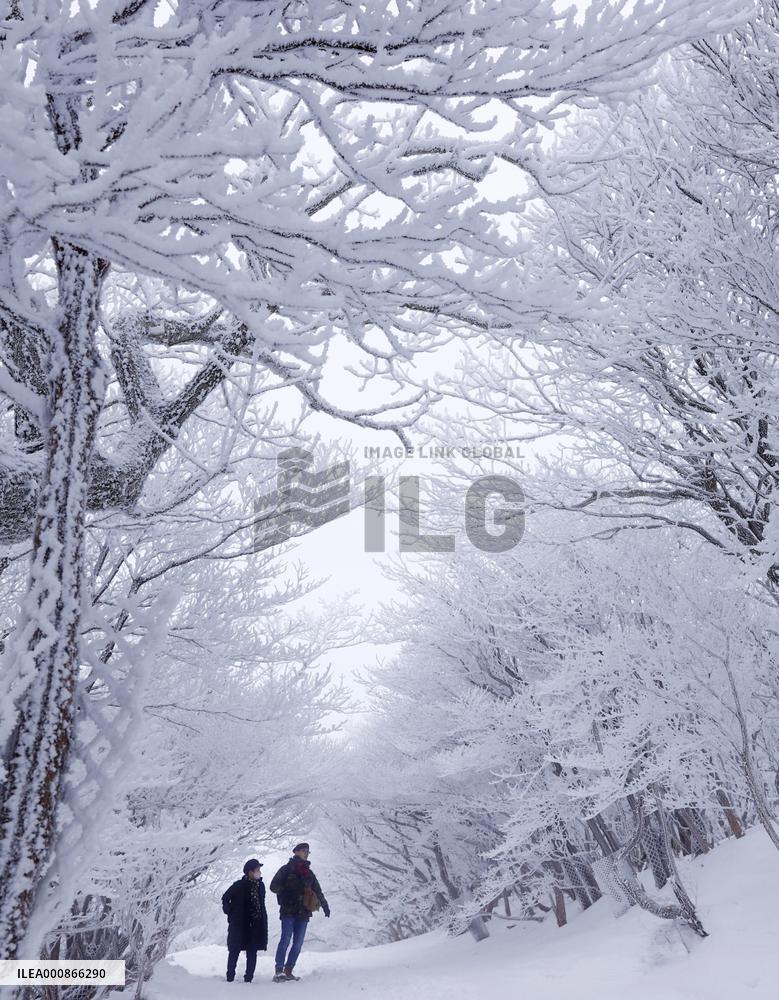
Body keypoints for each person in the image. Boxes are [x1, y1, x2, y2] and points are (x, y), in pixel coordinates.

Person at [269, 842, 330, 982]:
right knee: (285, 939)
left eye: (308, 851)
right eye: (304, 850)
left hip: (303, 913)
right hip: (288, 911)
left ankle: (288, 971)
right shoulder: (285, 869)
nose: (306, 853)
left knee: (298, 943)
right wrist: (286, 892)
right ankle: (279, 971)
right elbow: (273, 886)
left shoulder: (309, 873)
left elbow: (318, 891)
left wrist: (325, 906)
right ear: (296, 852)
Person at [221, 859, 268, 983]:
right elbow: (225, 898)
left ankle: (249, 979)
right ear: (250, 872)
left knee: (252, 951)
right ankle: (230, 977)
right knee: (234, 950)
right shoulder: (239, 885)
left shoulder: (261, 885)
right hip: (240, 924)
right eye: (257, 870)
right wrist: (231, 912)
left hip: (255, 923)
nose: (259, 872)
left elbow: (261, 904)